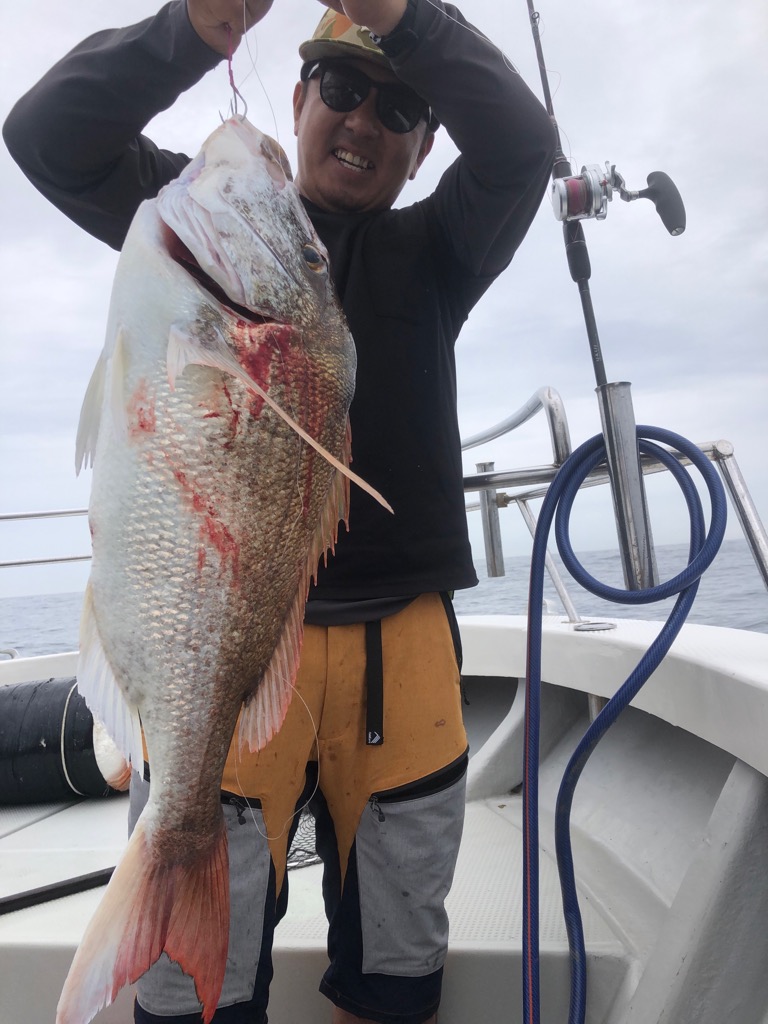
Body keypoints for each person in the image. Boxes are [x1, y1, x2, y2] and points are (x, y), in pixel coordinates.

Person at [4, 1, 555, 1021]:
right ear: (297, 98)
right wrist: (188, 27)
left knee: (397, 973)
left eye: (399, 108)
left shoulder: (438, 248)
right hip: (230, 651)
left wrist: (409, 18)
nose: (364, 120)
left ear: (426, 146)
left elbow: (525, 147)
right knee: (192, 998)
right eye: (340, 88)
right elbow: (45, 134)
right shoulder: (200, 220)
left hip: (401, 651)